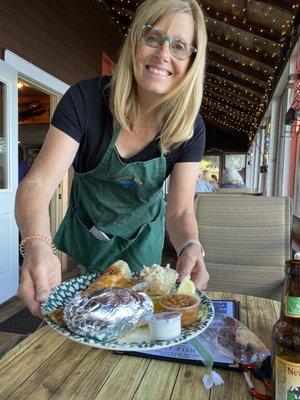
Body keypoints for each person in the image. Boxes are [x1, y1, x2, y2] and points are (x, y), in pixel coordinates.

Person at [15, 0, 209, 316]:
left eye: (180, 46)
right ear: (134, 40)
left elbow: (181, 209)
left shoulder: (190, 126)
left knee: (137, 325)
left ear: (191, 61)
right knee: (84, 320)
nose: (163, 54)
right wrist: (36, 243)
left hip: (143, 242)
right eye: (153, 37)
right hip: (88, 239)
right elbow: (37, 184)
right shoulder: (85, 101)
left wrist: (190, 246)